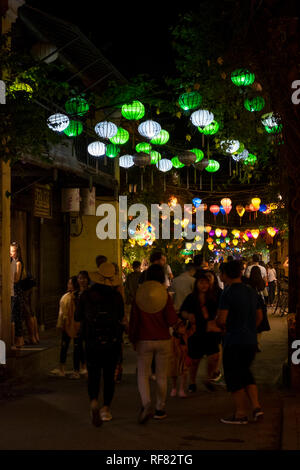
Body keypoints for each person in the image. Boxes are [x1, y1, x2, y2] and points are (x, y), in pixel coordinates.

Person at [76, 262, 124, 426]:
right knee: (109, 376)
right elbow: (121, 316)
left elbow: (77, 317)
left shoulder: (86, 295)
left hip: (91, 339)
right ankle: (106, 409)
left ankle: (94, 401)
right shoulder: (116, 297)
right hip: (111, 340)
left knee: (93, 373)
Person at [216, 261, 264, 425]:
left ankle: (241, 413)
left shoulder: (227, 293)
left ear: (225, 275)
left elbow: (222, 319)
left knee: (234, 377)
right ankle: (257, 408)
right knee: (246, 373)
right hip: (250, 341)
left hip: (233, 340)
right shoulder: (251, 291)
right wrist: (249, 328)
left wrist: (219, 325)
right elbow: (259, 317)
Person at [129, 264, 178, 423]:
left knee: (143, 374)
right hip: (163, 339)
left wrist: (133, 338)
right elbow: (171, 320)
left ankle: (146, 403)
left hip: (144, 339)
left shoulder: (140, 294)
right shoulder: (164, 295)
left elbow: (134, 321)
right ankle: (160, 408)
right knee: (162, 375)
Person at [180, 272, 222, 393]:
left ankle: (209, 378)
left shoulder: (213, 297)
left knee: (214, 357)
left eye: (206, 282)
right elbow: (182, 311)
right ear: (196, 284)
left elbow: (219, 312)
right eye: (201, 282)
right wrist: (188, 315)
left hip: (210, 331)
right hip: (196, 331)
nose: (204, 285)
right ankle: (192, 382)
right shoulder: (191, 298)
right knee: (195, 359)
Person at [50, 276, 81, 378]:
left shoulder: (67, 297)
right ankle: (78, 370)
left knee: (65, 347)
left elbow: (62, 314)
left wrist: (60, 325)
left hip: (68, 325)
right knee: (78, 348)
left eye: (70, 283)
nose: (68, 285)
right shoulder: (79, 296)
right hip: (78, 326)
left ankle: (62, 369)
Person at [247, 266, 271, 351]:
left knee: (251, 322)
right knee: (260, 325)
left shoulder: (248, 282)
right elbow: (266, 294)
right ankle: (257, 343)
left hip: (250, 303)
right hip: (260, 302)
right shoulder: (261, 282)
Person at [10, 242, 25, 348]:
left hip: (17, 291)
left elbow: (16, 279)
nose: (11, 253)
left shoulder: (18, 263)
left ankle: (20, 340)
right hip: (13, 291)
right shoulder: (12, 262)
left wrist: (10, 274)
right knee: (14, 316)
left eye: (13, 251)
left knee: (17, 316)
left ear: (17, 252)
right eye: (10, 251)